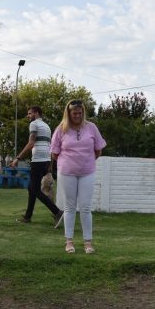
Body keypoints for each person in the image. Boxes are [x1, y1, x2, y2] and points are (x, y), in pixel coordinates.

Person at [50, 99, 106, 254]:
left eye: (80, 113)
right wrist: (69, 162)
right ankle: (69, 242)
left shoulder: (91, 127)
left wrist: (85, 162)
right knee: (69, 207)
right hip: (67, 172)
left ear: (83, 113)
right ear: (68, 113)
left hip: (87, 172)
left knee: (86, 207)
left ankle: (88, 242)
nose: (77, 115)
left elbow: (98, 150)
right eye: (74, 113)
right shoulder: (61, 129)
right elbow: (55, 153)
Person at [11, 105, 62, 225]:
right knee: (31, 188)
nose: (28, 116)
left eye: (30, 113)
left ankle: (57, 212)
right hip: (45, 160)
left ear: (37, 113)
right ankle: (28, 216)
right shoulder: (47, 126)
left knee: (35, 190)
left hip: (38, 160)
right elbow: (50, 146)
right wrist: (49, 164)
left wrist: (18, 158)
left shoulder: (34, 124)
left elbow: (31, 142)